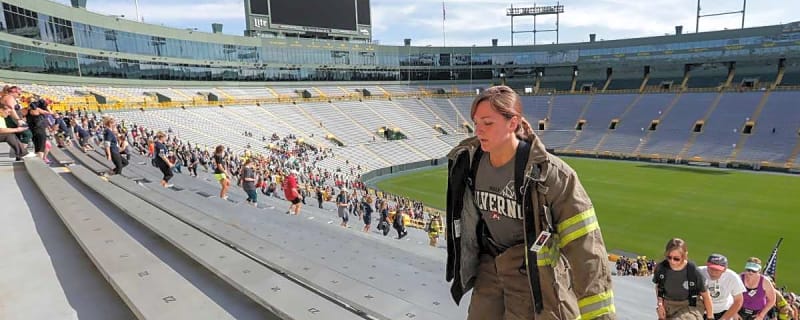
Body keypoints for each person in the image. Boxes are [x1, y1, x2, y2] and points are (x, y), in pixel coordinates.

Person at [446, 85, 615, 319]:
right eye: (476, 123)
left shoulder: (552, 175)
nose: (478, 130)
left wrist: (600, 316)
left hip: (530, 272)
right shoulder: (469, 163)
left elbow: (585, 248)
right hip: (489, 266)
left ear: (512, 123)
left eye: (488, 123)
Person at [654, 238, 714, 320]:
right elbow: (659, 288)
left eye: (676, 259)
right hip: (669, 306)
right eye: (669, 257)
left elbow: (705, 296)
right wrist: (660, 304)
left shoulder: (693, 271)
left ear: (685, 255)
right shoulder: (661, 268)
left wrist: (710, 317)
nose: (672, 261)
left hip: (690, 306)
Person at [698, 253, 745, 320]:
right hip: (700, 309)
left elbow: (738, 300)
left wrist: (724, 319)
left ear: (724, 269)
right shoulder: (697, 272)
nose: (713, 272)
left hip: (723, 310)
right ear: (707, 265)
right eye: (711, 268)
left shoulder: (732, 277)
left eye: (717, 270)